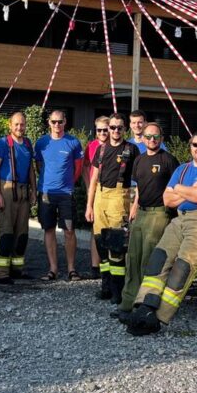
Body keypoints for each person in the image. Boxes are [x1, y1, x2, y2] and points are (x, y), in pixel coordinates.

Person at [126, 131, 197, 336]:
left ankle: (158, 318)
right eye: (196, 145)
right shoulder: (183, 169)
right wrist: (192, 188)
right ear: (190, 146)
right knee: (158, 259)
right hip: (181, 219)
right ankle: (144, 306)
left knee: (182, 268)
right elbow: (167, 200)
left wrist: (180, 190)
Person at [117, 122, 179, 319]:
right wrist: (133, 210)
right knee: (133, 259)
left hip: (159, 214)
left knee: (149, 260)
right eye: (149, 137)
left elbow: (177, 190)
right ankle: (127, 304)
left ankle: (143, 306)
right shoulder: (139, 160)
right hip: (141, 214)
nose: (152, 140)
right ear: (142, 138)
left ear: (161, 139)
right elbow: (139, 189)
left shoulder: (169, 160)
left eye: (156, 137)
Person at [85, 113, 139, 303]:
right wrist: (89, 206)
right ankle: (105, 286)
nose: (116, 131)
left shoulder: (131, 150)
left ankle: (118, 292)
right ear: (108, 129)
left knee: (116, 246)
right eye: (113, 127)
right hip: (100, 197)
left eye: (119, 128)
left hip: (119, 198)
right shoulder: (100, 150)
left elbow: (137, 182)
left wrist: (134, 205)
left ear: (125, 129)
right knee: (101, 244)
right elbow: (93, 179)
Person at [35, 109, 84, 281]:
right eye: (54, 122)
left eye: (60, 122)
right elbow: (39, 165)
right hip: (46, 193)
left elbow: (78, 168)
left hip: (66, 194)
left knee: (69, 231)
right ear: (49, 122)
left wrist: (68, 184)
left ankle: (71, 268)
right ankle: (53, 269)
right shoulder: (41, 143)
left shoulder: (73, 142)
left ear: (65, 122)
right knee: (49, 230)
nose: (57, 125)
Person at [0, 112, 35, 284]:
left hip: (23, 190)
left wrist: (33, 190)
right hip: (7, 188)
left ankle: (17, 270)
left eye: (22, 124)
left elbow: (31, 168)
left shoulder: (28, 143)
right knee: (6, 232)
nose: (19, 127)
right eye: (16, 124)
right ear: (10, 125)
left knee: (22, 233)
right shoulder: (2, 143)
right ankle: (1, 273)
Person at [84, 116, 110, 277]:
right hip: (95, 190)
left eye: (104, 130)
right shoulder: (92, 146)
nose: (102, 133)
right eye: (99, 130)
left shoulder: (114, 146)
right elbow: (85, 166)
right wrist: (88, 186)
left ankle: (109, 263)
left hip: (111, 190)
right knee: (96, 228)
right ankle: (95, 266)